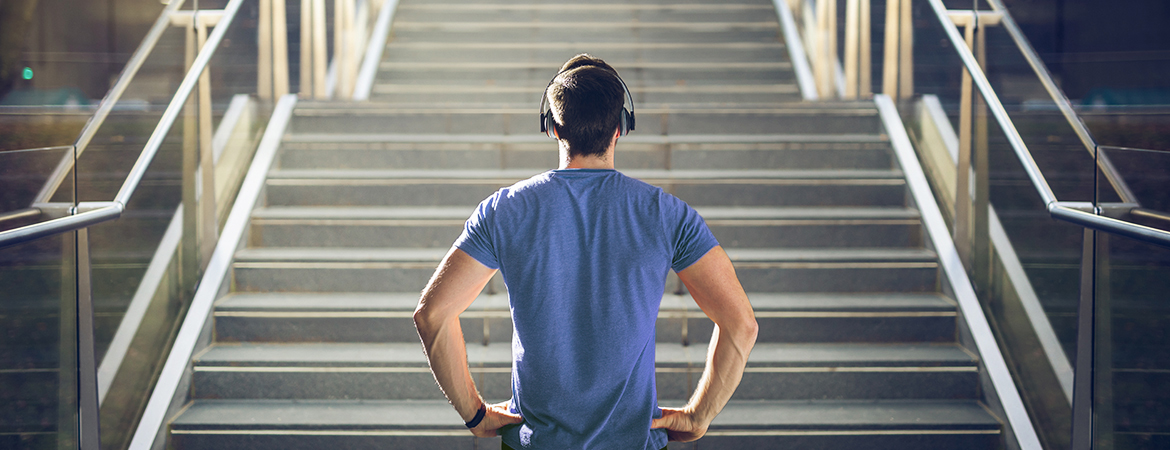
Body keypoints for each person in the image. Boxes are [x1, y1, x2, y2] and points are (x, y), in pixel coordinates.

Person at [413, 54, 758, 450]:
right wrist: (699, 416)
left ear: (553, 128)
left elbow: (432, 314)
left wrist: (475, 414)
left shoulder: (505, 209)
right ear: (621, 128)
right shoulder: (666, 214)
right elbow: (742, 324)